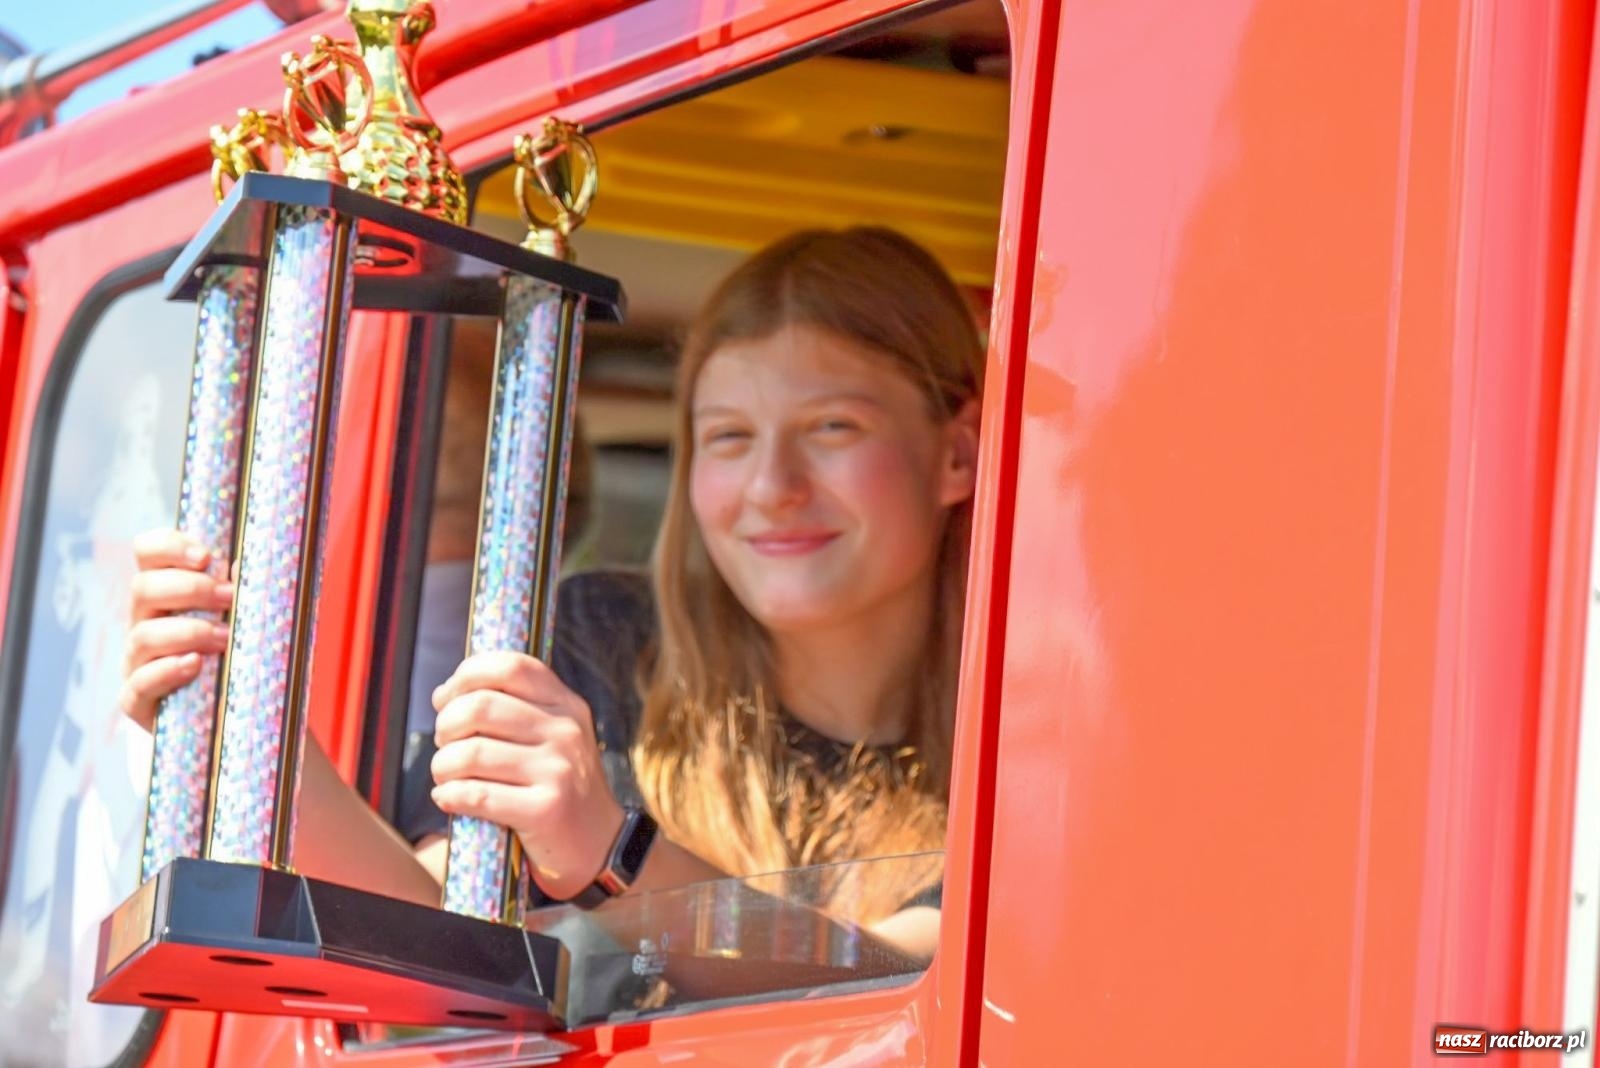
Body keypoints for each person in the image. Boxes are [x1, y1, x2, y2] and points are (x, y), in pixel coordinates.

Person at [119, 226, 982, 959]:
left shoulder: (1028, 737)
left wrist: (611, 853)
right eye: (728, 438)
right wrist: (252, 738)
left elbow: (891, 988)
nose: (772, 486)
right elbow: (431, 937)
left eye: (833, 428)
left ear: (958, 453)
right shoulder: (602, 642)